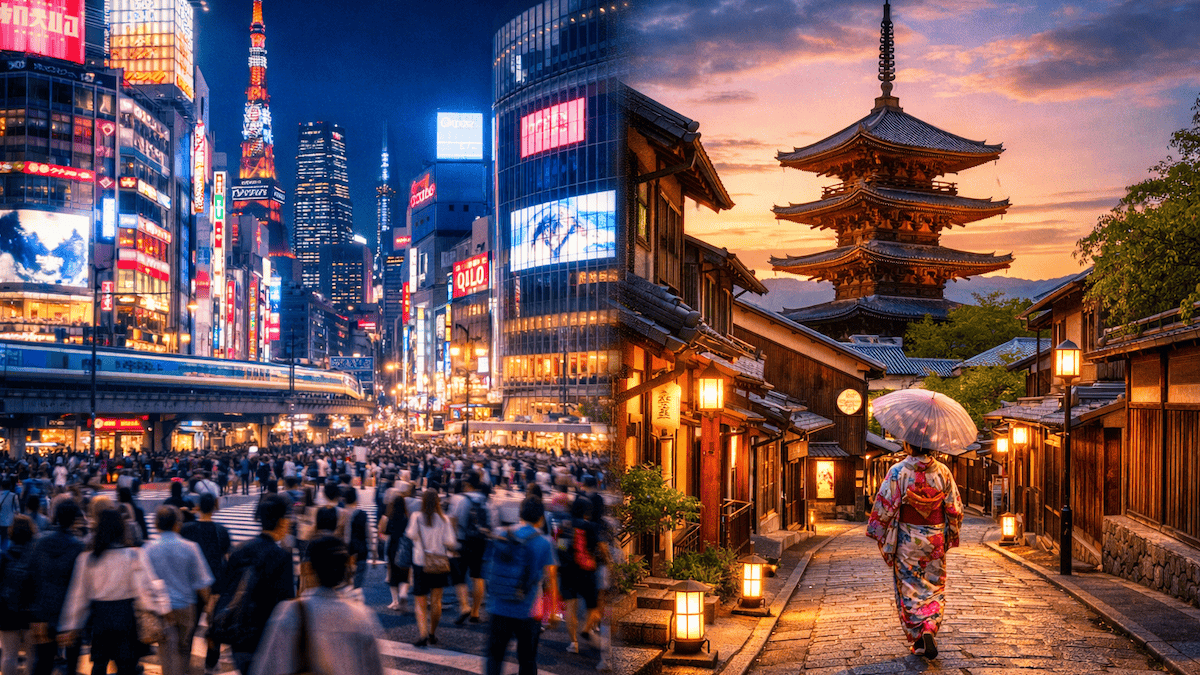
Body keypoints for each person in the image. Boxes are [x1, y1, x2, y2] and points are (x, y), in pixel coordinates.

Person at [866, 442, 964, 659]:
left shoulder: (898, 471)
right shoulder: (943, 471)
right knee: (934, 586)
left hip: (908, 539)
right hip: (934, 538)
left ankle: (919, 636)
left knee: (909, 586)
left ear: (907, 444)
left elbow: (884, 505)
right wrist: (950, 533)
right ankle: (929, 627)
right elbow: (954, 508)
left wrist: (878, 529)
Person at [249, 536, 384, 675]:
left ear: (310, 568)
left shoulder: (291, 613)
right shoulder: (362, 617)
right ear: (346, 569)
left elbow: (266, 669)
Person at [59, 508, 163, 675]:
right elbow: (145, 589)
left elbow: (78, 595)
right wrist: (157, 610)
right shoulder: (134, 555)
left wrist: (71, 625)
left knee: (99, 663)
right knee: (126, 665)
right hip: (126, 615)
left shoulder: (88, 558)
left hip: (100, 617)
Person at [213, 494, 295, 675]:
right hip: (266, 638)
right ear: (282, 521)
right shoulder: (281, 557)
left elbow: (226, 589)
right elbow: (286, 602)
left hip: (239, 635)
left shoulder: (240, 550)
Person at [485, 496, 557, 675]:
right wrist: (553, 610)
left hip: (498, 605)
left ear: (520, 514)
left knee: (494, 657)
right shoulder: (545, 542)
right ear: (541, 518)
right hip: (529, 610)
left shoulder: (501, 534)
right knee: (527, 659)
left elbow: (488, 565)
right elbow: (551, 578)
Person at [145, 505, 214, 675]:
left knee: (165, 649)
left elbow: (144, 583)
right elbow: (202, 581)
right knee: (184, 648)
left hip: (162, 609)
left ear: (156, 524)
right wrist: (209, 606)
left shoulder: (148, 549)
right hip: (186, 606)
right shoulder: (191, 547)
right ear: (178, 524)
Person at [29, 500, 86, 675]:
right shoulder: (79, 547)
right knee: (72, 664)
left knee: (43, 661)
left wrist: (33, 612)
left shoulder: (40, 542)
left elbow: (32, 575)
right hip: (70, 614)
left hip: (43, 611)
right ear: (74, 519)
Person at [180, 493, 231, 675]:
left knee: (189, 627)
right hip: (215, 585)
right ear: (215, 507)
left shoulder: (187, 529)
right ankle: (211, 663)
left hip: (192, 585)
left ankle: (184, 663)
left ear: (198, 506)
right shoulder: (221, 530)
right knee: (214, 627)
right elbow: (226, 557)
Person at [405, 489, 456, 647]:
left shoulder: (416, 517)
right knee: (436, 601)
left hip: (420, 562)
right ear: (437, 503)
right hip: (439, 563)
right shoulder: (444, 519)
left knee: (420, 601)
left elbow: (411, 535)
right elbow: (450, 542)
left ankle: (423, 634)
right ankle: (432, 633)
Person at [449, 472, 490, 625]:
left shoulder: (459, 499)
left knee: (459, 576)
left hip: (462, 541)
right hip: (480, 542)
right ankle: (475, 613)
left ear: (466, 484)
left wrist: (451, 541)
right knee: (478, 576)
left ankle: (465, 606)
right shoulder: (485, 500)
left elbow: (453, 520)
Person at [1, 515, 36, 675]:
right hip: (30, 612)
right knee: (32, 656)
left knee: (9, 655)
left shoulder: (3, 556)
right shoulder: (36, 557)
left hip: (7, 611)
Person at [381, 484, 412, 612]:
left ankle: (395, 601)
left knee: (393, 575)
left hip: (393, 546)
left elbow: (386, 532)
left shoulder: (390, 518)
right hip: (404, 547)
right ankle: (403, 594)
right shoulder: (407, 518)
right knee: (404, 575)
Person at [343, 487, 372, 589]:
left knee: (344, 579)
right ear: (356, 499)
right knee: (358, 577)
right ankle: (355, 590)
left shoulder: (341, 513)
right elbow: (369, 533)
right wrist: (374, 551)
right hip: (361, 549)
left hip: (344, 550)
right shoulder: (362, 514)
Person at [0, 479, 18, 553]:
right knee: (7, 539)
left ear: (1, 486)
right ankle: (4, 553)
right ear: (10, 486)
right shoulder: (14, 496)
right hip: (9, 521)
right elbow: (17, 510)